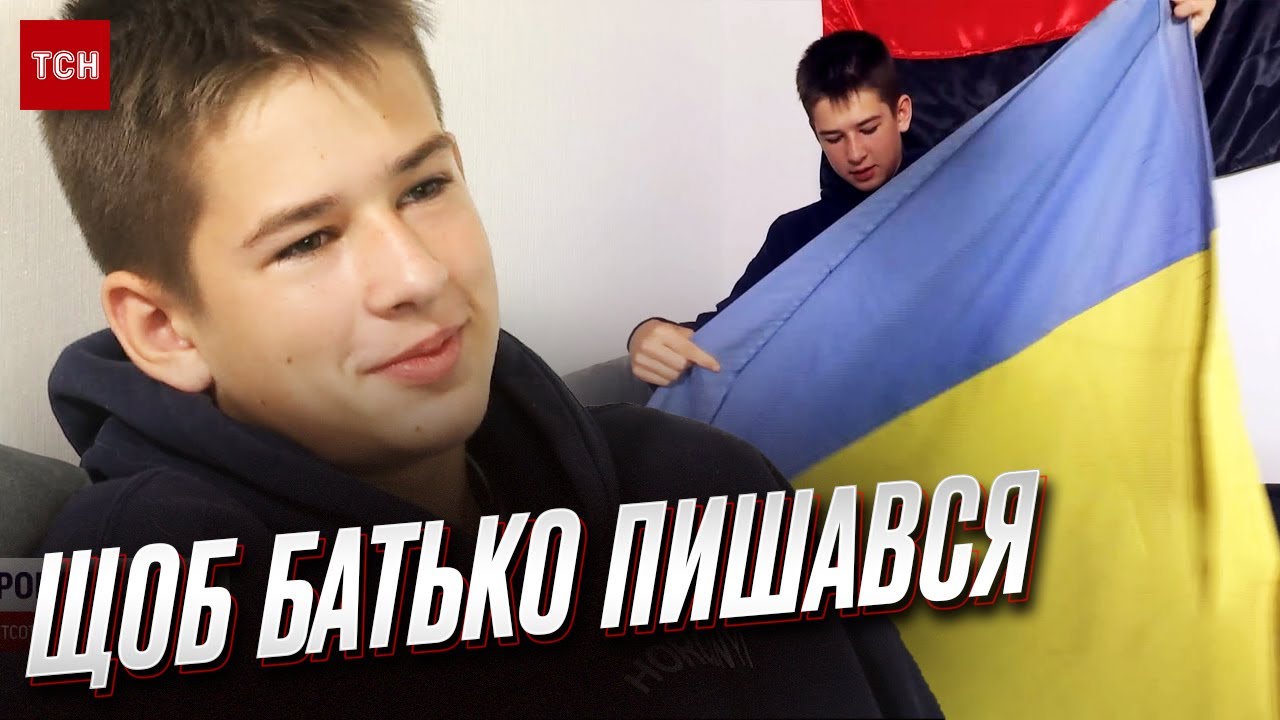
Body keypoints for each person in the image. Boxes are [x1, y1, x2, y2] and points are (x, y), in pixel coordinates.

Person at [8, 0, 942, 718]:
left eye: (423, 187)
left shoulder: (709, 485)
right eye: (308, 240)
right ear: (164, 330)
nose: (418, 273)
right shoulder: (132, 625)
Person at [627, 0, 1218, 388]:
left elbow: (1085, 169)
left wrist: (1173, 25)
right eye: (833, 138)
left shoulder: (968, 207)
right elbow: (725, 335)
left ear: (902, 113)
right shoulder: (797, 237)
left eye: (868, 128)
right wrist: (648, 333)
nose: (854, 153)